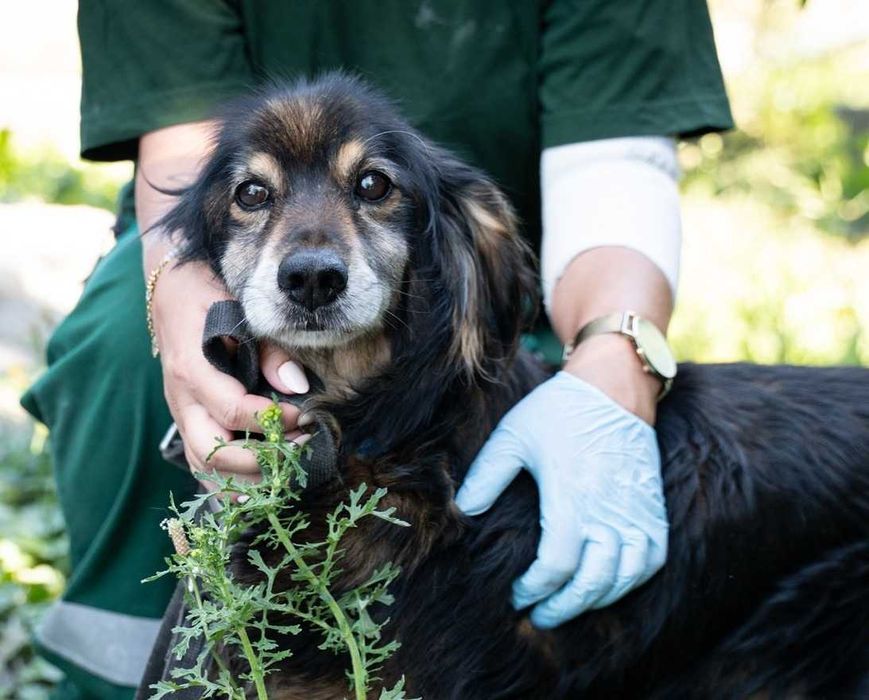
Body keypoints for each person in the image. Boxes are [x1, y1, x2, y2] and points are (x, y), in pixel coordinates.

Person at [21, 2, 732, 697]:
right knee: (119, 342)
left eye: (369, 186)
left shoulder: (471, 236)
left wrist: (616, 359)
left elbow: (611, 167)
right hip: (194, 234)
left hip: (500, 273)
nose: (312, 261)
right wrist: (175, 292)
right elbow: (182, 147)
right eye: (256, 194)